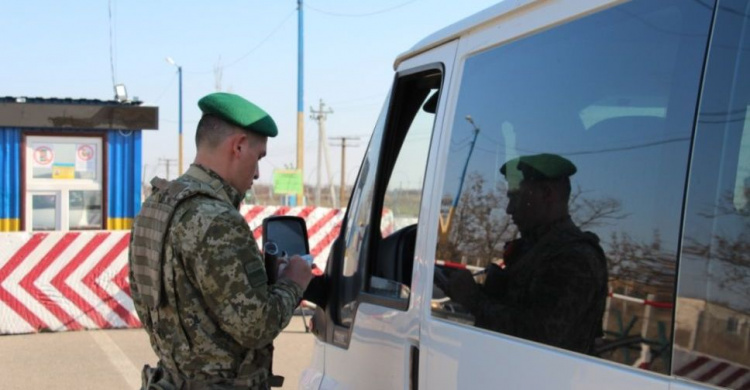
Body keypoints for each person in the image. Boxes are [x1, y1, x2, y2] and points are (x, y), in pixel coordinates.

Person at [129, 92, 313, 389]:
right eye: (258, 157)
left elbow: (146, 299)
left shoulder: (154, 207)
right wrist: (293, 281)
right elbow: (256, 327)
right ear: (238, 146)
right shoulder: (218, 220)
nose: (256, 173)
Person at [442, 153, 608, 355]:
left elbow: (540, 338)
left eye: (516, 197)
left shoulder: (575, 257)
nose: (509, 209)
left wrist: (473, 298)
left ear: (547, 194)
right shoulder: (537, 248)